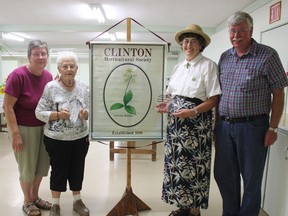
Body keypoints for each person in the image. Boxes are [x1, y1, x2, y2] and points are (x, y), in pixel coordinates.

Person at [214, 11, 288, 216]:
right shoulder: (225, 57)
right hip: (224, 126)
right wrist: (215, 125)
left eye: (241, 31)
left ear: (251, 31)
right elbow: (218, 94)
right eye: (233, 31)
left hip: (253, 127)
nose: (236, 36)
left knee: (251, 179)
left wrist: (273, 127)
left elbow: (279, 93)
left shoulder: (268, 55)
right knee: (224, 175)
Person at [156, 24, 221, 216]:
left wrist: (191, 111)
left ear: (200, 45)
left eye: (193, 41)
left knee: (194, 167)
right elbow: (171, 95)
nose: (188, 45)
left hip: (195, 126)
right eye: (185, 41)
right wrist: (167, 105)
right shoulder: (178, 67)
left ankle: (194, 211)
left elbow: (213, 99)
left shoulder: (208, 66)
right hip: (176, 126)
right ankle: (182, 206)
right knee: (177, 166)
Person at [35, 51, 90, 216]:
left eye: (72, 66)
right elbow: (38, 112)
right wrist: (57, 115)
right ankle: (55, 205)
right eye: (65, 66)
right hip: (56, 139)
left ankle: (77, 201)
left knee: (77, 169)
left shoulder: (82, 86)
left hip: (80, 137)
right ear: (59, 69)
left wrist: (85, 113)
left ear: (77, 69)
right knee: (58, 170)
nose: (68, 69)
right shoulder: (51, 87)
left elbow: (89, 108)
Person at [3, 40, 53, 216]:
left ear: (47, 56)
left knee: (41, 165)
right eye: (36, 54)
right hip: (24, 128)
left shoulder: (48, 76)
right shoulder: (18, 75)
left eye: (43, 53)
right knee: (27, 167)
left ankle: (35, 197)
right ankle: (26, 201)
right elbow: (7, 106)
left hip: (44, 128)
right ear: (29, 56)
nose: (40, 57)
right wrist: (15, 133)